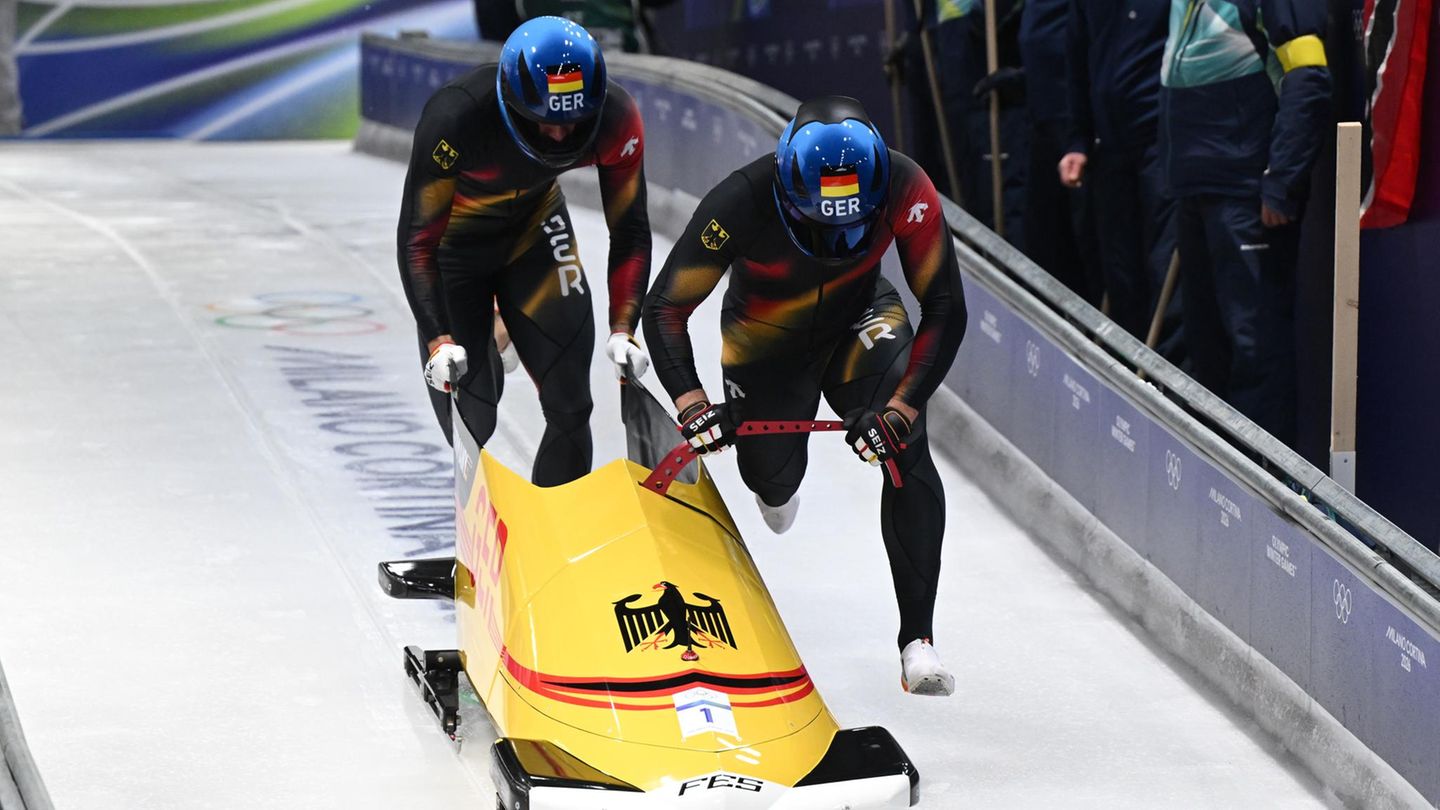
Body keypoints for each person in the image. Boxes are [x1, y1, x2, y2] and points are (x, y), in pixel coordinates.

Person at [643, 97, 968, 696]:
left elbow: (945, 307)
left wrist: (899, 410)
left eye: (853, 225)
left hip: (861, 319)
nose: (837, 237)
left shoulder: (904, 185)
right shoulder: (740, 199)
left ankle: (917, 641)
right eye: (822, 224)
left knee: (907, 450)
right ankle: (775, 487)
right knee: (772, 481)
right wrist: (690, 401)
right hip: (766, 342)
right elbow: (666, 306)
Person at [397, 16, 652, 486]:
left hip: (536, 232)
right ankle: (495, 332)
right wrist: (438, 340)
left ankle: (558, 538)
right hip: (455, 251)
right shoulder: (456, 117)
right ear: (511, 101)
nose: (559, 136)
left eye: (574, 122)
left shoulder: (616, 117)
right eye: (543, 121)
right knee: (472, 421)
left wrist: (625, 328)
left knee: (572, 404)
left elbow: (631, 230)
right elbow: (417, 240)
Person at [1158, 0, 1331, 445]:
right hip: (1195, 187)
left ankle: (1260, 494)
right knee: (1207, 349)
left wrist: (1282, 181)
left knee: (1257, 352)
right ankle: (1217, 487)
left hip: (1245, 193)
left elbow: (1309, 77)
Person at [1059, 0, 1177, 348]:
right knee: (1120, 273)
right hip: (1107, 147)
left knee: (1163, 272)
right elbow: (1076, 57)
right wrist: (1078, 140)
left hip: (1161, 143)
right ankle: (1128, 375)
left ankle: (1166, 386)